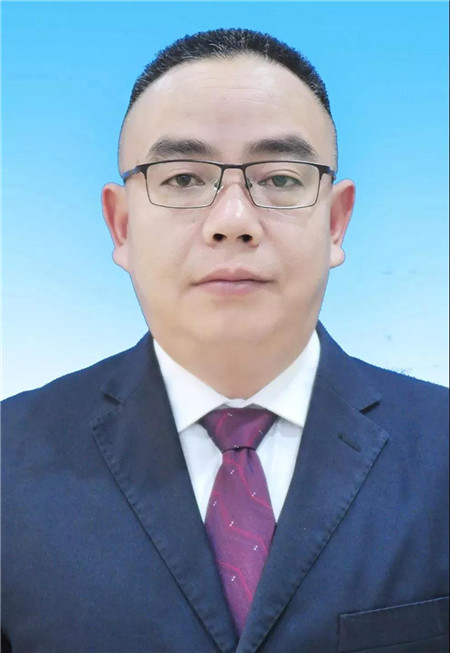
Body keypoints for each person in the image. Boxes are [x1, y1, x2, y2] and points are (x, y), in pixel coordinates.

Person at [1, 27, 448, 653]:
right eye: (183, 178)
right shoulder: (10, 460)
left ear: (336, 222)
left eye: (281, 179)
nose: (233, 222)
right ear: (121, 225)